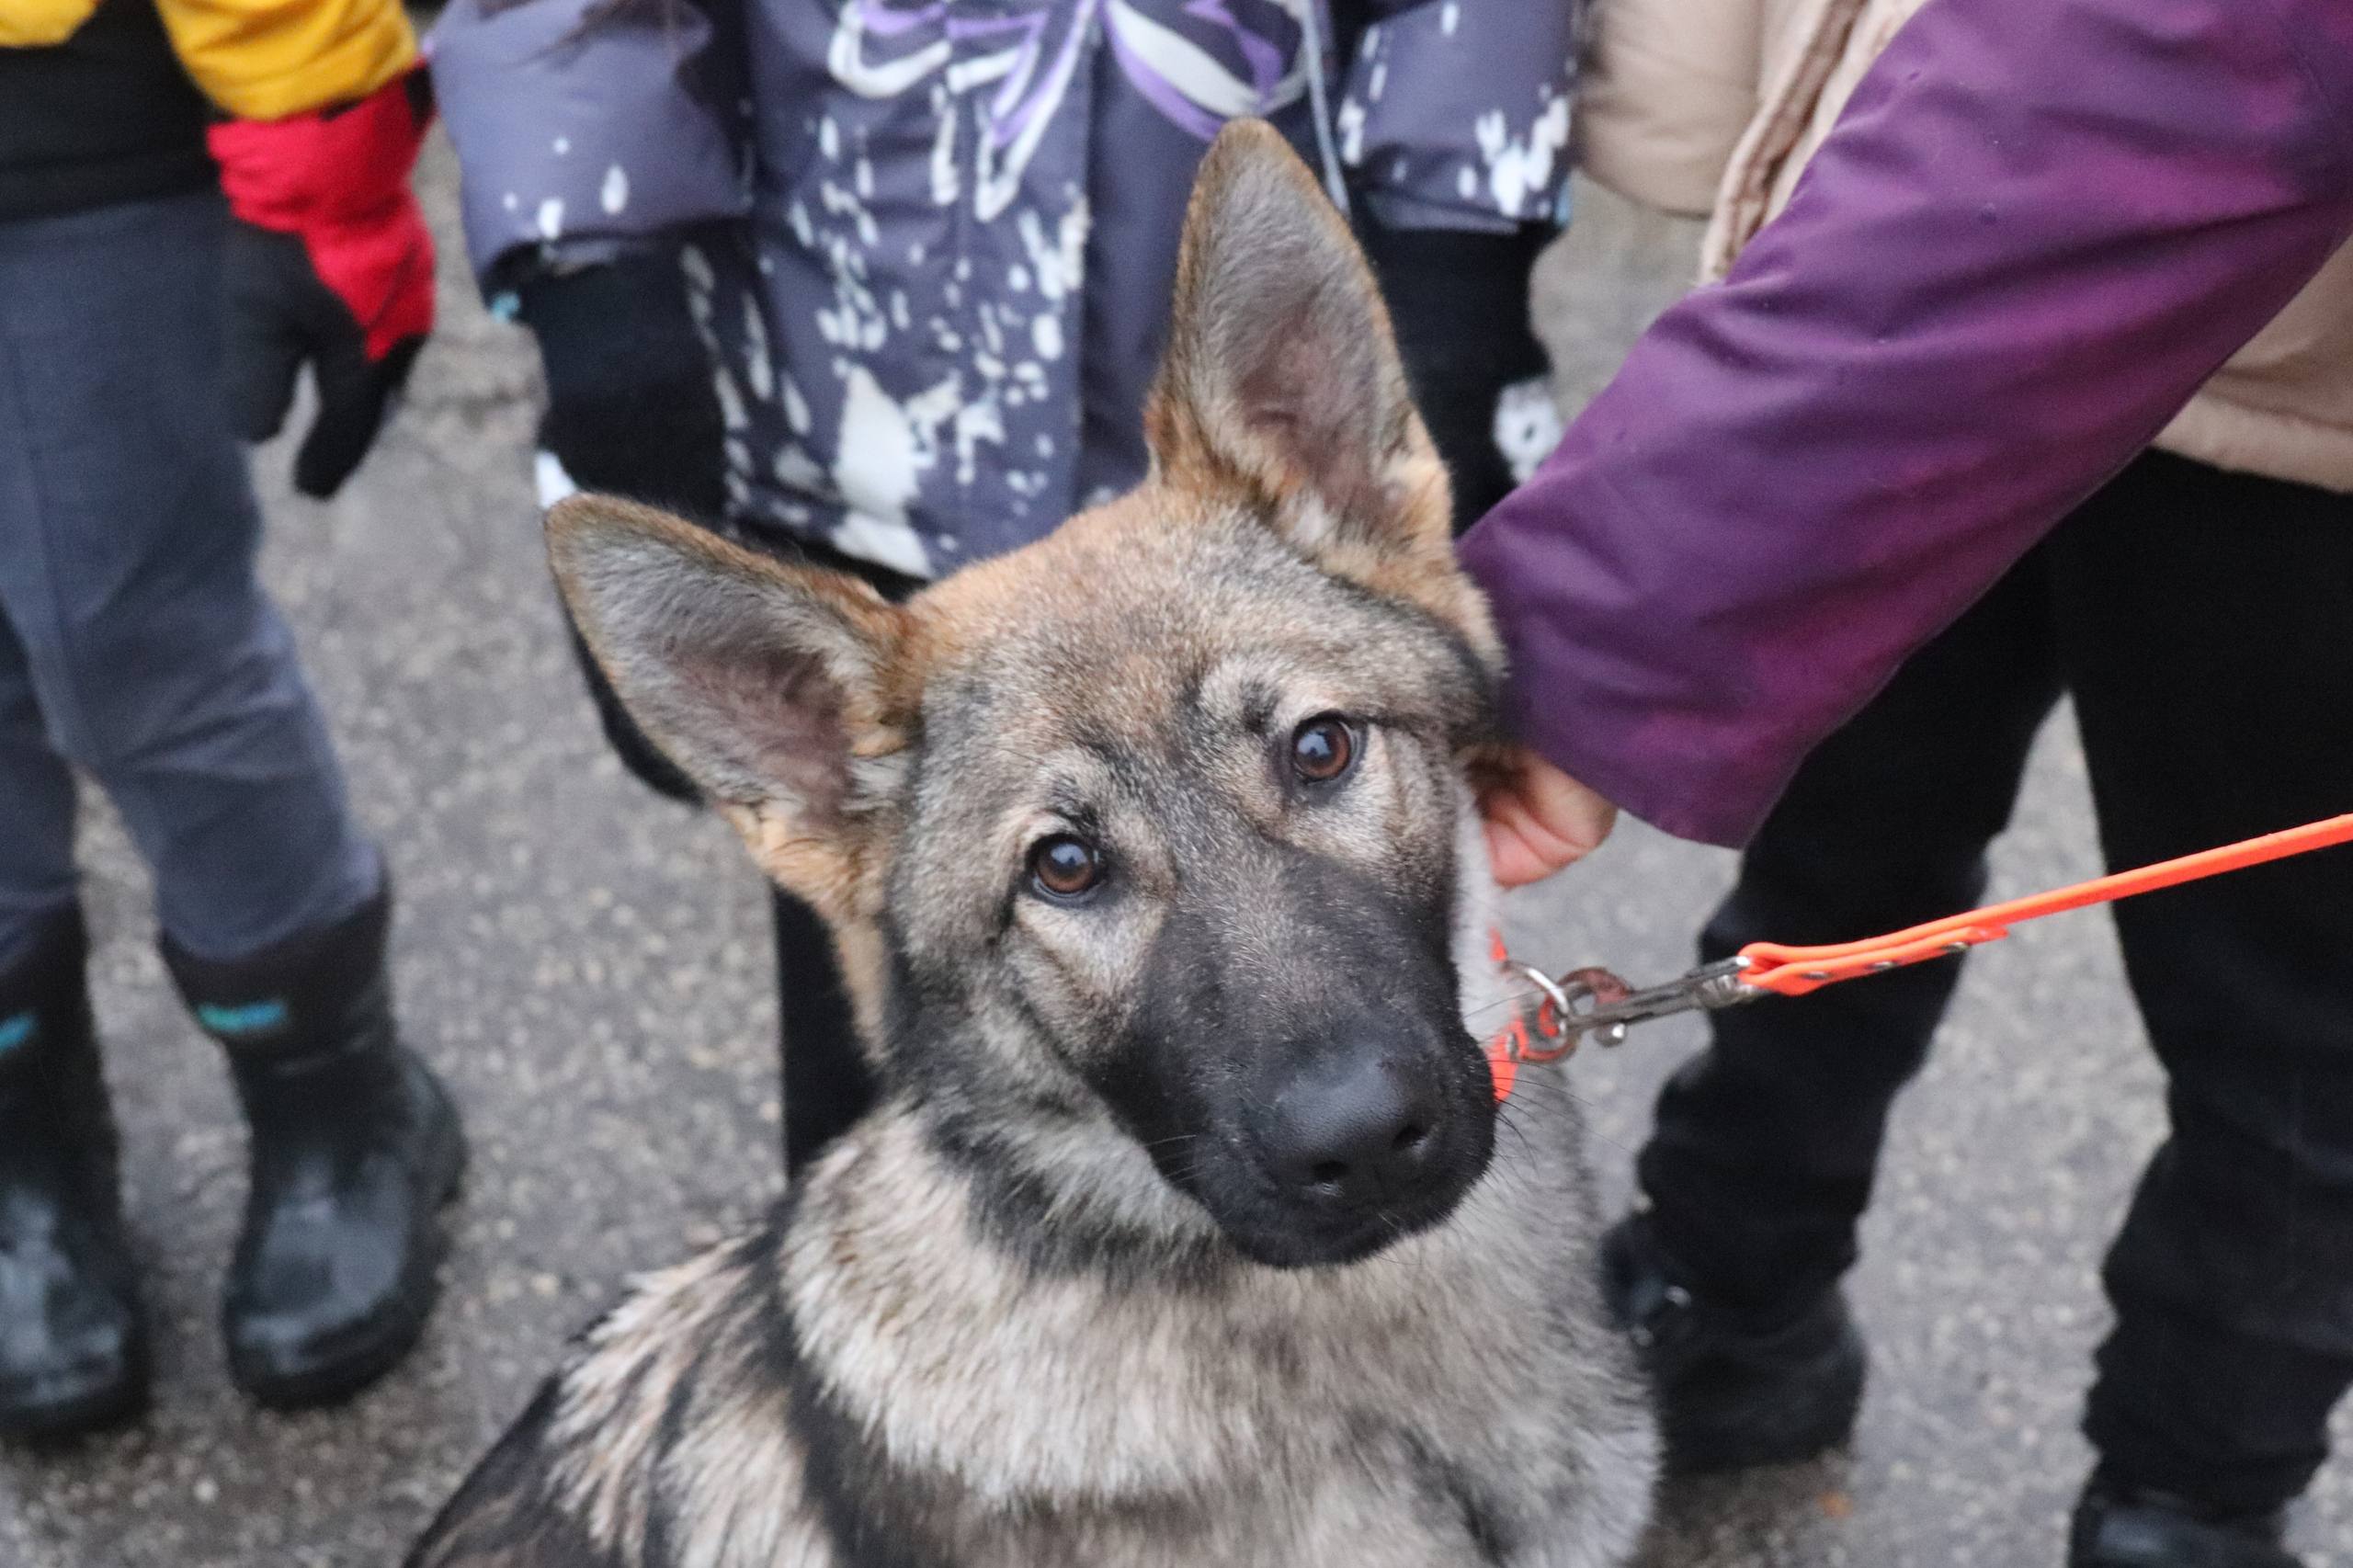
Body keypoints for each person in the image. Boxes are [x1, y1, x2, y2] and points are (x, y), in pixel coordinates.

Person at [1461, 0, 2353, 1562]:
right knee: (1835, 855)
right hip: (1910, 212)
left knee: (2288, 1011)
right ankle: (1733, 1285)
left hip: (2287, 408)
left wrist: (1599, 628)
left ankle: (2199, 1484)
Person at [427, 0, 1582, 1175]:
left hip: (1204, 245)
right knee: (891, 1111)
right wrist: (594, 274)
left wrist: (1457, 253)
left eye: (1319, 752)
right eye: (1069, 866)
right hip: (839, 406)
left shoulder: (1304, 522)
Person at [0, 0, 461, 1437]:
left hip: (72, 126)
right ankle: (27, 1144)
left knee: (137, 646)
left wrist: (321, 146)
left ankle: (337, 1094)